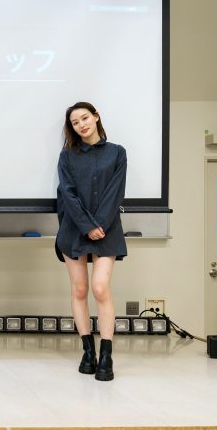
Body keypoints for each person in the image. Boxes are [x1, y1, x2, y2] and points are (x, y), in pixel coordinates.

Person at [55, 102, 126, 381]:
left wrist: (99, 226)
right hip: (74, 229)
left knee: (100, 288)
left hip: (107, 229)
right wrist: (86, 226)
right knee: (80, 289)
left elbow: (116, 192)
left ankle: (107, 355)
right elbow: (68, 194)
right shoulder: (67, 157)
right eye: (75, 123)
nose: (81, 125)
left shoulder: (117, 152)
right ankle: (88, 352)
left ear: (96, 117)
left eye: (85, 118)